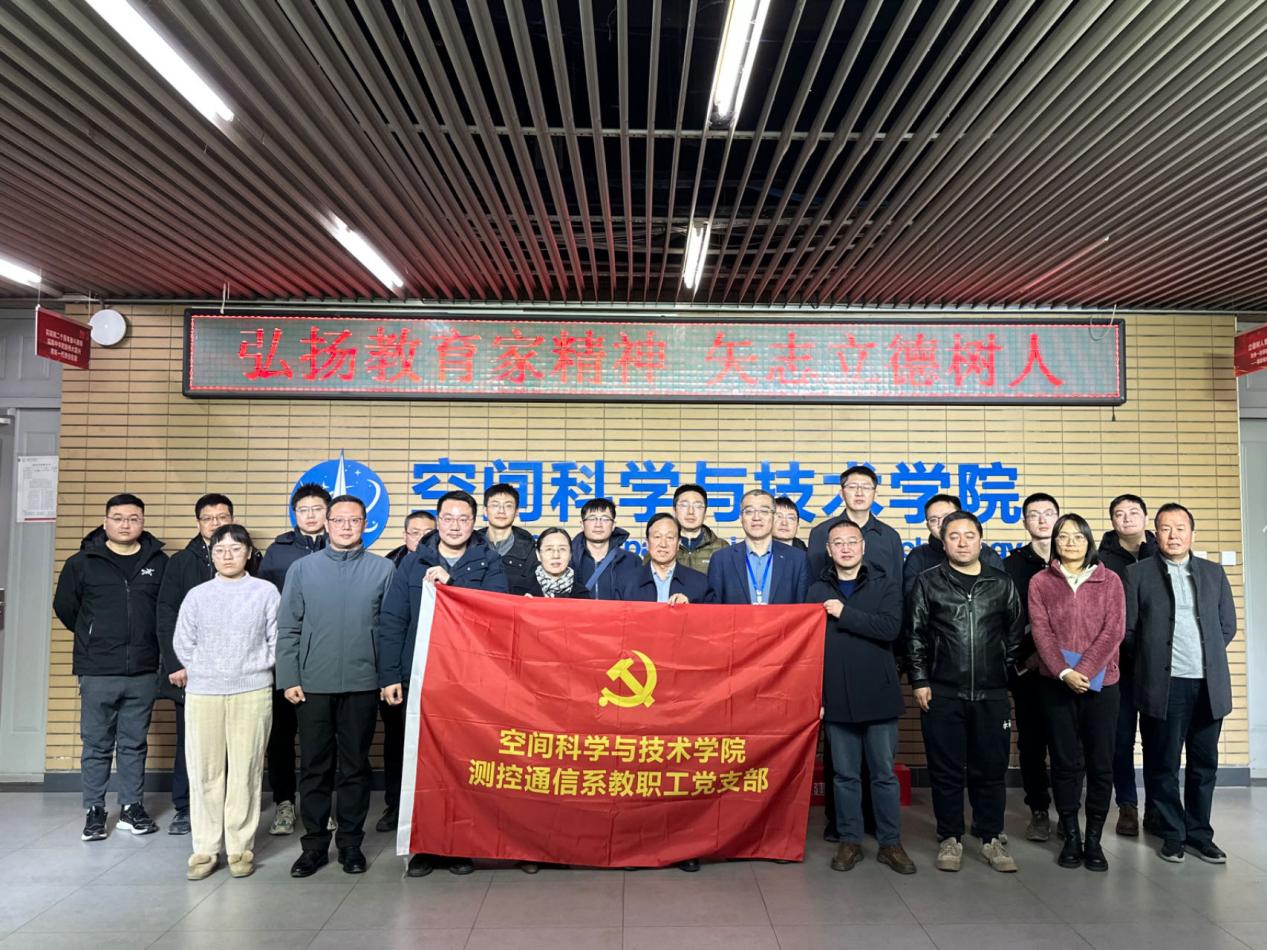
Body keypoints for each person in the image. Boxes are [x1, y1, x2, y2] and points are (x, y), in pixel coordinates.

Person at [379, 489, 509, 877]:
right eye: (448, 518)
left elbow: (498, 610)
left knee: (462, 764)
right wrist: (390, 675)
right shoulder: (413, 561)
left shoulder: (488, 560)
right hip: (420, 676)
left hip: (467, 680)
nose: (455, 525)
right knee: (421, 765)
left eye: (463, 519)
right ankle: (425, 846)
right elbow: (393, 619)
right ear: (437, 521)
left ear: (474, 523)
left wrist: (453, 584)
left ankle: (459, 846)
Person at [277, 494, 395, 878]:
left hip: (363, 683)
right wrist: (289, 677)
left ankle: (350, 844)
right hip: (313, 684)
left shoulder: (383, 569)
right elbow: (288, 626)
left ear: (365, 524)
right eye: (339, 520)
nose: (346, 526)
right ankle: (313, 846)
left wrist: (386, 677)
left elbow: (390, 629)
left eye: (354, 520)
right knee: (314, 767)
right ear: (326, 524)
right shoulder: (302, 569)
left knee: (355, 767)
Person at [907, 511, 1022, 873]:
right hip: (943, 692)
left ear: (980, 540)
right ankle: (950, 836)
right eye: (953, 536)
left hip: (991, 693)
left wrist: (1001, 673)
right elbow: (915, 635)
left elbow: (1015, 635)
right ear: (943, 543)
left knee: (991, 769)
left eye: (969, 535)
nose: (962, 542)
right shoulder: (928, 582)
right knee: (946, 770)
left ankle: (990, 837)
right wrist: (920, 680)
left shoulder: (1001, 583)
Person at [1126, 503, 1237, 864]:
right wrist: (1153, 661)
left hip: (1208, 685)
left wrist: (1205, 658)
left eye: (1180, 528)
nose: (1173, 535)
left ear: (1192, 532)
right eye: (1165, 528)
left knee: (1204, 763)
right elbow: (1128, 633)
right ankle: (1172, 833)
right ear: (1154, 534)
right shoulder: (1137, 574)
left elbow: (1227, 626)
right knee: (1164, 763)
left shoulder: (1213, 573)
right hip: (1164, 686)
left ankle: (1200, 834)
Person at [54, 493, 169, 841]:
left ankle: (132, 807)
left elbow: (165, 611)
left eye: (133, 518)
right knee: (97, 743)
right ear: (105, 522)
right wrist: (94, 636)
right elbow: (66, 608)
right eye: (118, 518)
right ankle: (95, 810)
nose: (125, 524)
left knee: (134, 743)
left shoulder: (159, 562)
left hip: (144, 668)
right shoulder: (82, 563)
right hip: (97, 668)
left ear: (142, 522)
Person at [808, 520, 914, 875]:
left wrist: (844, 613)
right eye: (838, 543)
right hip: (835, 695)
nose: (846, 548)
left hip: (878, 694)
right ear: (829, 550)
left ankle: (890, 842)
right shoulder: (816, 590)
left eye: (852, 542)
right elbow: (809, 647)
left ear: (863, 547)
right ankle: (849, 840)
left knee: (883, 774)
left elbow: (889, 628)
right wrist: (816, 696)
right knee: (844, 776)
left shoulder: (885, 585)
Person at [173, 524, 279, 880]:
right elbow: (183, 641)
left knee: (246, 769)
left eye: (235, 549)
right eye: (220, 550)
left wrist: (255, 666)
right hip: (204, 692)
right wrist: (206, 669)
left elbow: (277, 638)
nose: (228, 555)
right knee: (205, 770)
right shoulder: (198, 595)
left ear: (248, 553)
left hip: (252, 690)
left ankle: (239, 847)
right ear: (211, 555)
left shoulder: (265, 592)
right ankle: (205, 848)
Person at [155, 493, 257, 838]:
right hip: (194, 672)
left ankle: (229, 810)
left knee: (236, 746)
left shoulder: (249, 557)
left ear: (232, 519)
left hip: (240, 672)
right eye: (208, 518)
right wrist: (176, 663)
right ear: (198, 523)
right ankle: (186, 808)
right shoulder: (181, 562)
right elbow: (166, 614)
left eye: (222, 517)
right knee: (193, 744)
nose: (215, 523)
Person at [1028, 513, 1125, 872]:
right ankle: (1071, 834)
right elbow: (1041, 632)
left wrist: (1084, 670)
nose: (1070, 543)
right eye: (1063, 537)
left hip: (1103, 686)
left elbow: (1114, 631)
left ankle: (1094, 839)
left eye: (1077, 536)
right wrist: (1065, 672)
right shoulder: (1040, 581)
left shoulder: (1109, 579)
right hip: (1056, 685)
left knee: (1100, 763)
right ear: (1054, 542)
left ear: (1089, 541)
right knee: (1065, 762)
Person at [258, 482, 331, 837]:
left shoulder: (341, 546)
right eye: (304, 510)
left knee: (322, 737)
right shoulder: (278, 551)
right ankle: (285, 802)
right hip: (285, 655)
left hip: (326, 656)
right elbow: (264, 603)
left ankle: (321, 805)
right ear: (294, 514)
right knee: (282, 735)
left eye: (317, 509)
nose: (311, 515)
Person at [1097, 493, 1159, 837]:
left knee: (1157, 739)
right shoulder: (1101, 560)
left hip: (1157, 665)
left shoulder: (1162, 552)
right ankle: (1127, 806)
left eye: (1134, 512)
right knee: (1119, 740)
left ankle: (1157, 808)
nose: (1127, 518)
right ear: (1112, 521)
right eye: (1119, 514)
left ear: (1146, 517)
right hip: (1116, 663)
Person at [1003, 492, 1059, 843]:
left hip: (1069, 669)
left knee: (1069, 743)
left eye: (1048, 513)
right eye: (1034, 514)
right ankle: (1038, 808)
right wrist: (1024, 658)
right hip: (1028, 669)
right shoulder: (1011, 565)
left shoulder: (1076, 557)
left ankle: (1068, 811)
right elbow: (1006, 619)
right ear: (1024, 522)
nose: (1041, 519)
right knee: (1032, 743)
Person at [707, 489, 810, 605]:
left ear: (773, 516)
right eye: (749, 511)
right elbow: (713, 610)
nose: (756, 517)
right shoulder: (721, 559)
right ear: (741, 517)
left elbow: (805, 610)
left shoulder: (797, 559)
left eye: (764, 511)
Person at [808, 466, 904, 581]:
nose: (859, 493)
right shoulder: (821, 533)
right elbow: (813, 580)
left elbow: (897, 583)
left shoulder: (890, 537)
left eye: (866, 487)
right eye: (852, 487)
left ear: (875, 494)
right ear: (841, 493)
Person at [902, 494, 1005, 597]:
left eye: (947, 517)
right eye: (933, 520)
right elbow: (912, 599)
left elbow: (1001, 595)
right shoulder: (918, 556)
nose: (941, 524)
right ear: (928, 526)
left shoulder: (987, 555)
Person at [616, 514, 710, 604]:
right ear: (647, 543)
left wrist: (690, 608)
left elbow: (709, 615)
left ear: (678, 543)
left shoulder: (700, 583)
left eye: (669, 537)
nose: (663, 544)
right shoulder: (626, 582)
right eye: (657, 537)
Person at [475, 483, 537, 595]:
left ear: (516, 512)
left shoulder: (528, 548)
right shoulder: (472, 545)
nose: (501, 511)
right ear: (485, 511)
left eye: (508, 506)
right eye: (495, 505)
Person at [572, 498, 640, 599]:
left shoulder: (632, 561)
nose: (598, 524)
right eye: (592, 518)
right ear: (582, 524)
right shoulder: (569, 561)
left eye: (605, 519)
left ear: (613, 525)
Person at [671, 483, 730, 572]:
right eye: (684, 505)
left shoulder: (722, 547)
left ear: (705, 513)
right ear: (674, 511)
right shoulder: (662, 545)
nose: (691, 511)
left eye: (698, 506)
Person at [521, 527, 592, 598]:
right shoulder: (519, 590)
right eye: (549, 549)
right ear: (538, 554)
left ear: (570, 554)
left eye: (562, 549)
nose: (556, 555)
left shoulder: (583, 596)